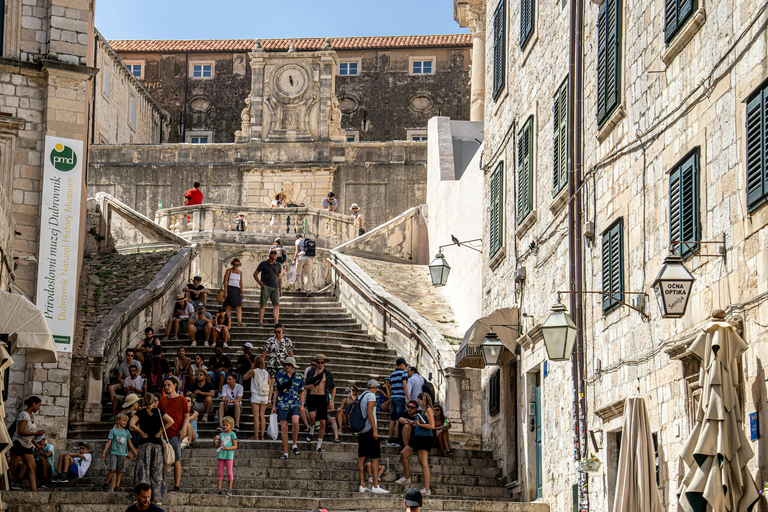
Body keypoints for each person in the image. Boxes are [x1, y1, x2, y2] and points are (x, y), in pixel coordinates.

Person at [130, 394, 173, 505]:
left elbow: (131, 424)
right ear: (154, 401)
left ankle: (141, 496)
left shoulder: (140, 413)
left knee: (142, 471)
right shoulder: (159, 412)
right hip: (157, 445)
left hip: (145, 444)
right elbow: (171, 421)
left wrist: (140, 432)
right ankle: (157, 498)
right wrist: (160, 432)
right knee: (157, 471)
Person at [396, 393, 435, 495]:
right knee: (404, 453)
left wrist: (419, 424)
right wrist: (416, 424)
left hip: (424, 438)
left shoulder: (429, 410)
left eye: (420, 401)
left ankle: (427, 489)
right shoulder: (424, 411)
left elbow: (432, 425)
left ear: (424, 400)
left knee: (424, 464)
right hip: (418, 438)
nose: (419, 403)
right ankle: (406, 477)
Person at [159, 377, 190, 494]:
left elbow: (187, 415)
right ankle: (163, 484)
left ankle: (176, 486)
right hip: (164, 434)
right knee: (164, 461)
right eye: (165, 385)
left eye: (168, 385)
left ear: (175, 385)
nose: (166, 387)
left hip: (176, 433)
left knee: (176, 460)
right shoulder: (162, 400)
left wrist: (184, 429)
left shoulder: (182, 400)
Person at [356, 380, 388, 494]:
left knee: (362, 457)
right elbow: (370, 413)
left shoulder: (361, 396)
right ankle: (375, 485)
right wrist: (375, 430)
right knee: (375, 457)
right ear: (375, 388)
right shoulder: (371, 396)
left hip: (361, 430)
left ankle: (362, 485)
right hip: (369, 429)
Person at [9, 396, 44, 491]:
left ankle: (34, 490)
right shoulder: (23, 415)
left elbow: (29, 434)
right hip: (18, 443)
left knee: (32, 466)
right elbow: (20, 431)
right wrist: (36, 433)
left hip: (27, 445)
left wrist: (37, 445)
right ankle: (3, 487)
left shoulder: (30, 416)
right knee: (12, 467)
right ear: (33, 404)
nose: (39, 408)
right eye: (38, 405)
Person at [303, 354, 336, 452]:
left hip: (322, 397)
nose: (320, 364)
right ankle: (311, 429)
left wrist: (332, 401)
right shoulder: (310, 372)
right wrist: (307, 389)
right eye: (318, 362)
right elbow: (304, 386)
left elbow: (333, 387)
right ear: (315, 363)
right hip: (312, 396)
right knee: (312, 416)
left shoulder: (328, 373)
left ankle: (319, 446)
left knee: (322, 422)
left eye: (322, 362)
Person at [273, 356, 304, 459]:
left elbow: (301, 391)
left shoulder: (299, 376)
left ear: (293, 366)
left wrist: (302, 404)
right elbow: (276, 390)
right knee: (284, 428)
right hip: (282, 403)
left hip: (295, 402)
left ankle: (294, 444)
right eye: (285, 364)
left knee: (295, 422)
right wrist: (273, 405)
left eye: (288, 365)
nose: (286, 366)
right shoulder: (279, 375)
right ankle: (285, 452)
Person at [102, 413, 138, 492]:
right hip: (114, 452)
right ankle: (106, 483)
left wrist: (135, 453)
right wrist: (104, 452)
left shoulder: (126, 432)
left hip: (122, 453)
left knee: (119, 471)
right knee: (112, 469)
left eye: (126, 421)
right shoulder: (113, 431)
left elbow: (130, 443)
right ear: (118, 421)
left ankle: (117, 486)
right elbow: (109, 442)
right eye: (124, 420)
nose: (125, 422)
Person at [262, 323, 294, 406]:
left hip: (283, 364)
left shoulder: (287, 341)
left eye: (278, 332)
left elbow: (290, 353)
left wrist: (292, 364)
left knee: (281, 382)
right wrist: (263, 361)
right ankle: (269, 400)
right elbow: (265, 351)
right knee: (271, 382)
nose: (277, 333)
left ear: (282, 331)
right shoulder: (270, 340)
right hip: (272, 363)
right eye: (275, 332)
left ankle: (280, 399)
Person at [109, 350, 143, 418]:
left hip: (134, 386)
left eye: (132, 355)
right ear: (126, 355)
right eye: (128, 355)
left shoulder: (137, 364)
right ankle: (114, 413)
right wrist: (122, 382)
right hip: (125, 382)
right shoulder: (123, 365)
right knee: (111, 387)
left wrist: (133, 386)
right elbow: (119, 378)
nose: (130, 357)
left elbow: (139, 372)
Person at [254, 250, 282, 326]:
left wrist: (280, 289)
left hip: (275, 287)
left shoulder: (278, 265)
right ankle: (260, 322)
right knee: (263, 304)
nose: (273, 260)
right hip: (265, 286)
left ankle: (276, 323)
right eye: (272, 259)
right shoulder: (263, 264)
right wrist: (259, 282)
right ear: (269, 256)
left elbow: (279, 277)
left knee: (276, 305)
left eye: (275, 259)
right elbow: (255, 274)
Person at [244, 356, 270, 440]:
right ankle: (262, 436)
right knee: (262, 416)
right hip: (264, 395)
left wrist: (251, 368)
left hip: (256, 395)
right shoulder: (267, 373)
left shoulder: (253, 372)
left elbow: (244, 377)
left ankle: (256, 436)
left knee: (256, 416)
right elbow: (269, 384)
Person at [388, 358, 410, 447]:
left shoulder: (392, 375)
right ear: (401, 365)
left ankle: (390, 439)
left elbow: (390, 388)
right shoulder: (403, 373)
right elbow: (404, 386)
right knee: (398, 419)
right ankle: (396, 438)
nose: (405, 367)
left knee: (392, 419)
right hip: (400, 397)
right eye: (404, 365)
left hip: (393, 397)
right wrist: (408, 398)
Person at [214, 416, 238, 496]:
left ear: (231, 425)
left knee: (229, 472)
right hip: (221, 455)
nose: (225, 427)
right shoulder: (221, 434)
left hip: (229, 455)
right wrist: (215, 440)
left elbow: (235, 446)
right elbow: (218, 446)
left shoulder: (232, 434)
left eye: (226, 425)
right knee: (220, 472)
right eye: (224, 425)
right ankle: (218, 489)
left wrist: (227, 448)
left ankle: (229, 489)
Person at [221, 258, 245, 327]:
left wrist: (242, 293)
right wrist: (225, 291)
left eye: (237, 265)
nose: (236, 266)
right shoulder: (229, 270)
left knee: (238, 306)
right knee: (228, 306)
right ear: (232, 264)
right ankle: (228, 321)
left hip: (237, 290)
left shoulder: (240, 272)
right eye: (234, 264)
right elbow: (225, 281)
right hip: (230, 288)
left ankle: (239, 322)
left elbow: (240, 283)